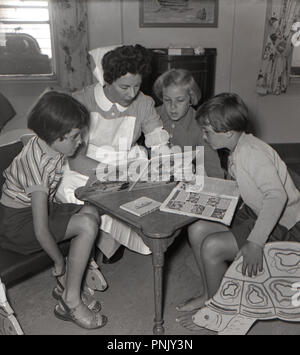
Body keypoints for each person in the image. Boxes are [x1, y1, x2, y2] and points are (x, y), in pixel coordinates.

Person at [176, 93, 300, 327]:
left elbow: (277, 197)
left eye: (207, 131)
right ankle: (209, 295)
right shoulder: (238, 147)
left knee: (212, 247)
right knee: (197, 229)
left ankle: (220, 314)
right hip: (256, 212)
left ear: (228, 132)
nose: (203, 137)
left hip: (283, 224)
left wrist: (255, 242)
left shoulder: (251, 153)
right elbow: (248, 188)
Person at [0, 91, 107, 330]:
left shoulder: (51, 146)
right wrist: (58, 262)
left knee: (91, 211)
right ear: (54, 136)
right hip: (17, 226)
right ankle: (70, 300)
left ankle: (67, 287)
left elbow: (74, 163)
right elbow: (40, 229)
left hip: (39, 210)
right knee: (87, 225)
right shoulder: (37, 167)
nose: (80, 141)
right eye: (74, 137)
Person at [56, 44, 169, 262]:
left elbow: (157, 141)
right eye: (125, 87)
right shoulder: (81, 101)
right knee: (78, 199)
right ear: (106, 80)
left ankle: (108, 241)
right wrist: (113, 174)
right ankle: (102, 242)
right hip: (87, 165)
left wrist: (165, 161)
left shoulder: (143, 103)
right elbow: (75, 158)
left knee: (149, 201)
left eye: (137, 86)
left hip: (127, 163)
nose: (132, 94)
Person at [153, 69, 224, 178]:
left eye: (180, 100)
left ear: (191, 98)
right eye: (167, 100)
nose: (173, 107)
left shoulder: (201, 125)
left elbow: (212, 166)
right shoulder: (152, 115)